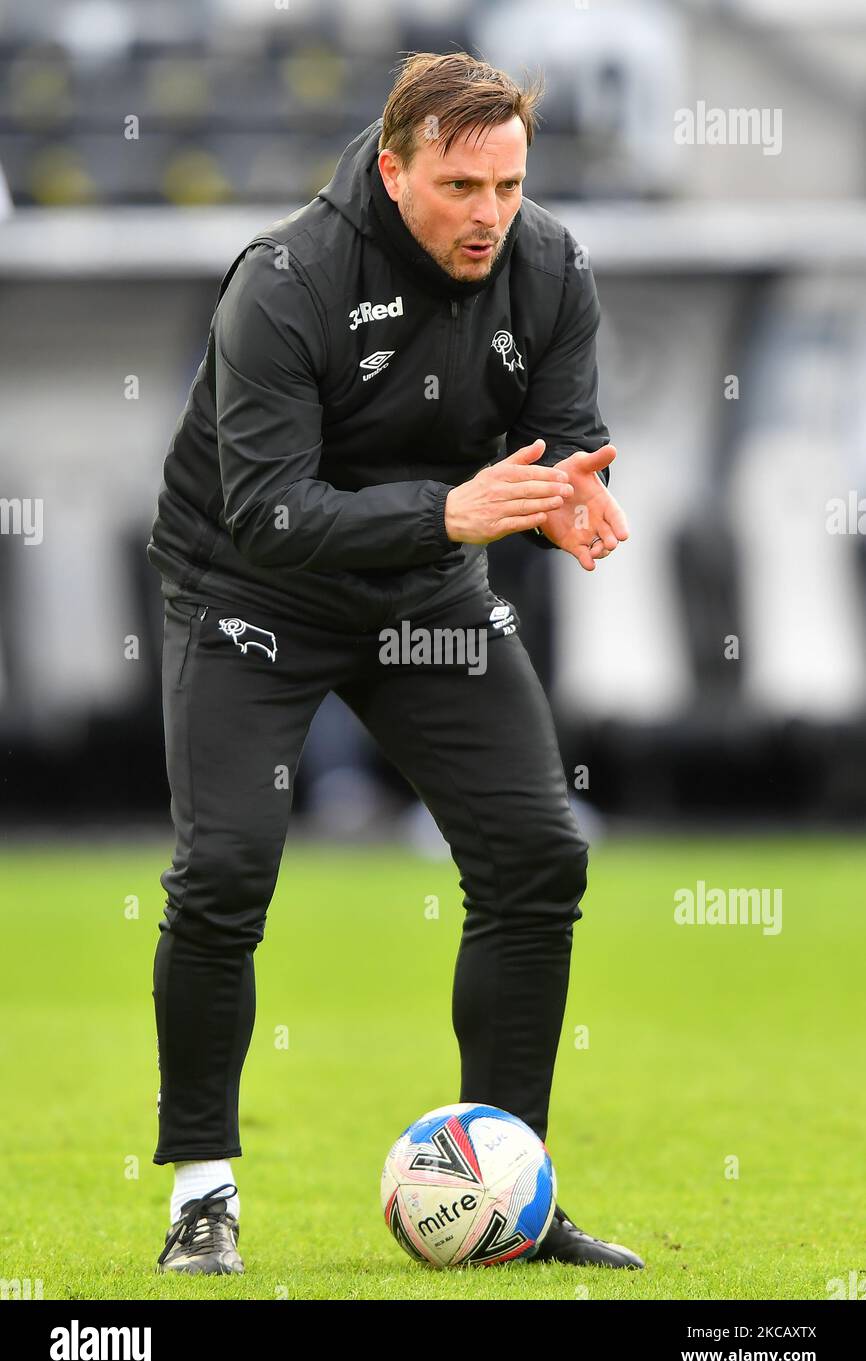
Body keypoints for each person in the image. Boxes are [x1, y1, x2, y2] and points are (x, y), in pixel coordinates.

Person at [146, 50, 638, 1275]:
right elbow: (265, 509)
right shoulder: (285, 279)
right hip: (249, 587)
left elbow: (565, 437)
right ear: (393, 163)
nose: (489, 215)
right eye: (461, 185)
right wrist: (454, 513)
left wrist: (570, 492)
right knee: (224, 869)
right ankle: (202, 1193)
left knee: (536, 854)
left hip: (425, 590)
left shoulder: (550, 263)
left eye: (508, 185)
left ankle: (510, 1190)